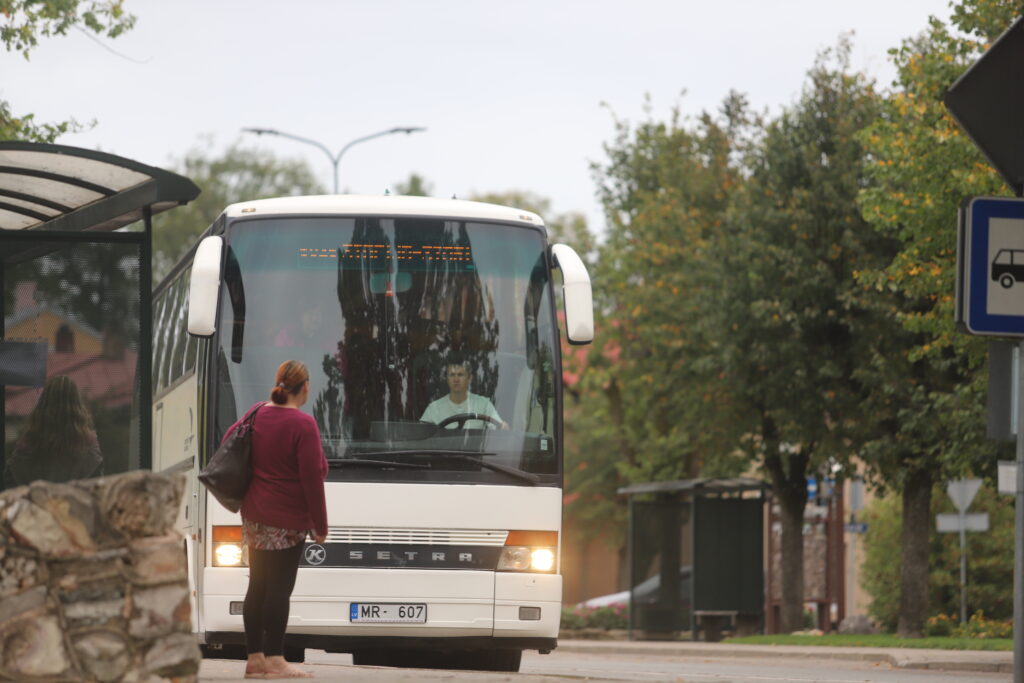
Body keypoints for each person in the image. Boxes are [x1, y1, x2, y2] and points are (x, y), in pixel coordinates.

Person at [228, 360, 327, 680]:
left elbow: (229, 440)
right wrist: (320, 525)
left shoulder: (256, 412)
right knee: (279, 590)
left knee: (258, 585)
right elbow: (312, 478)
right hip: (288, 520)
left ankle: (255, 658)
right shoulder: (303, 424)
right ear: (305, 387)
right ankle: (275, 658)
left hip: (255, 515)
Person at [3, 375, 102, 487]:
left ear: (44, 403)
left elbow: (10, 479)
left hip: (35, 497)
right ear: (77, 403)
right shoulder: (88, 448)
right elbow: (97, 487)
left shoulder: (29, 443)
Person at [420, 360, 509, 430]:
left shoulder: (484, 404)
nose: (456, 379)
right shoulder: (433, 409)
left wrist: (503, 427)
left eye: (460, 375)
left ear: (469, 378)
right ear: (447, 379)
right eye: (452, 375)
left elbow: (500, 429)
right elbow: (420, 435)